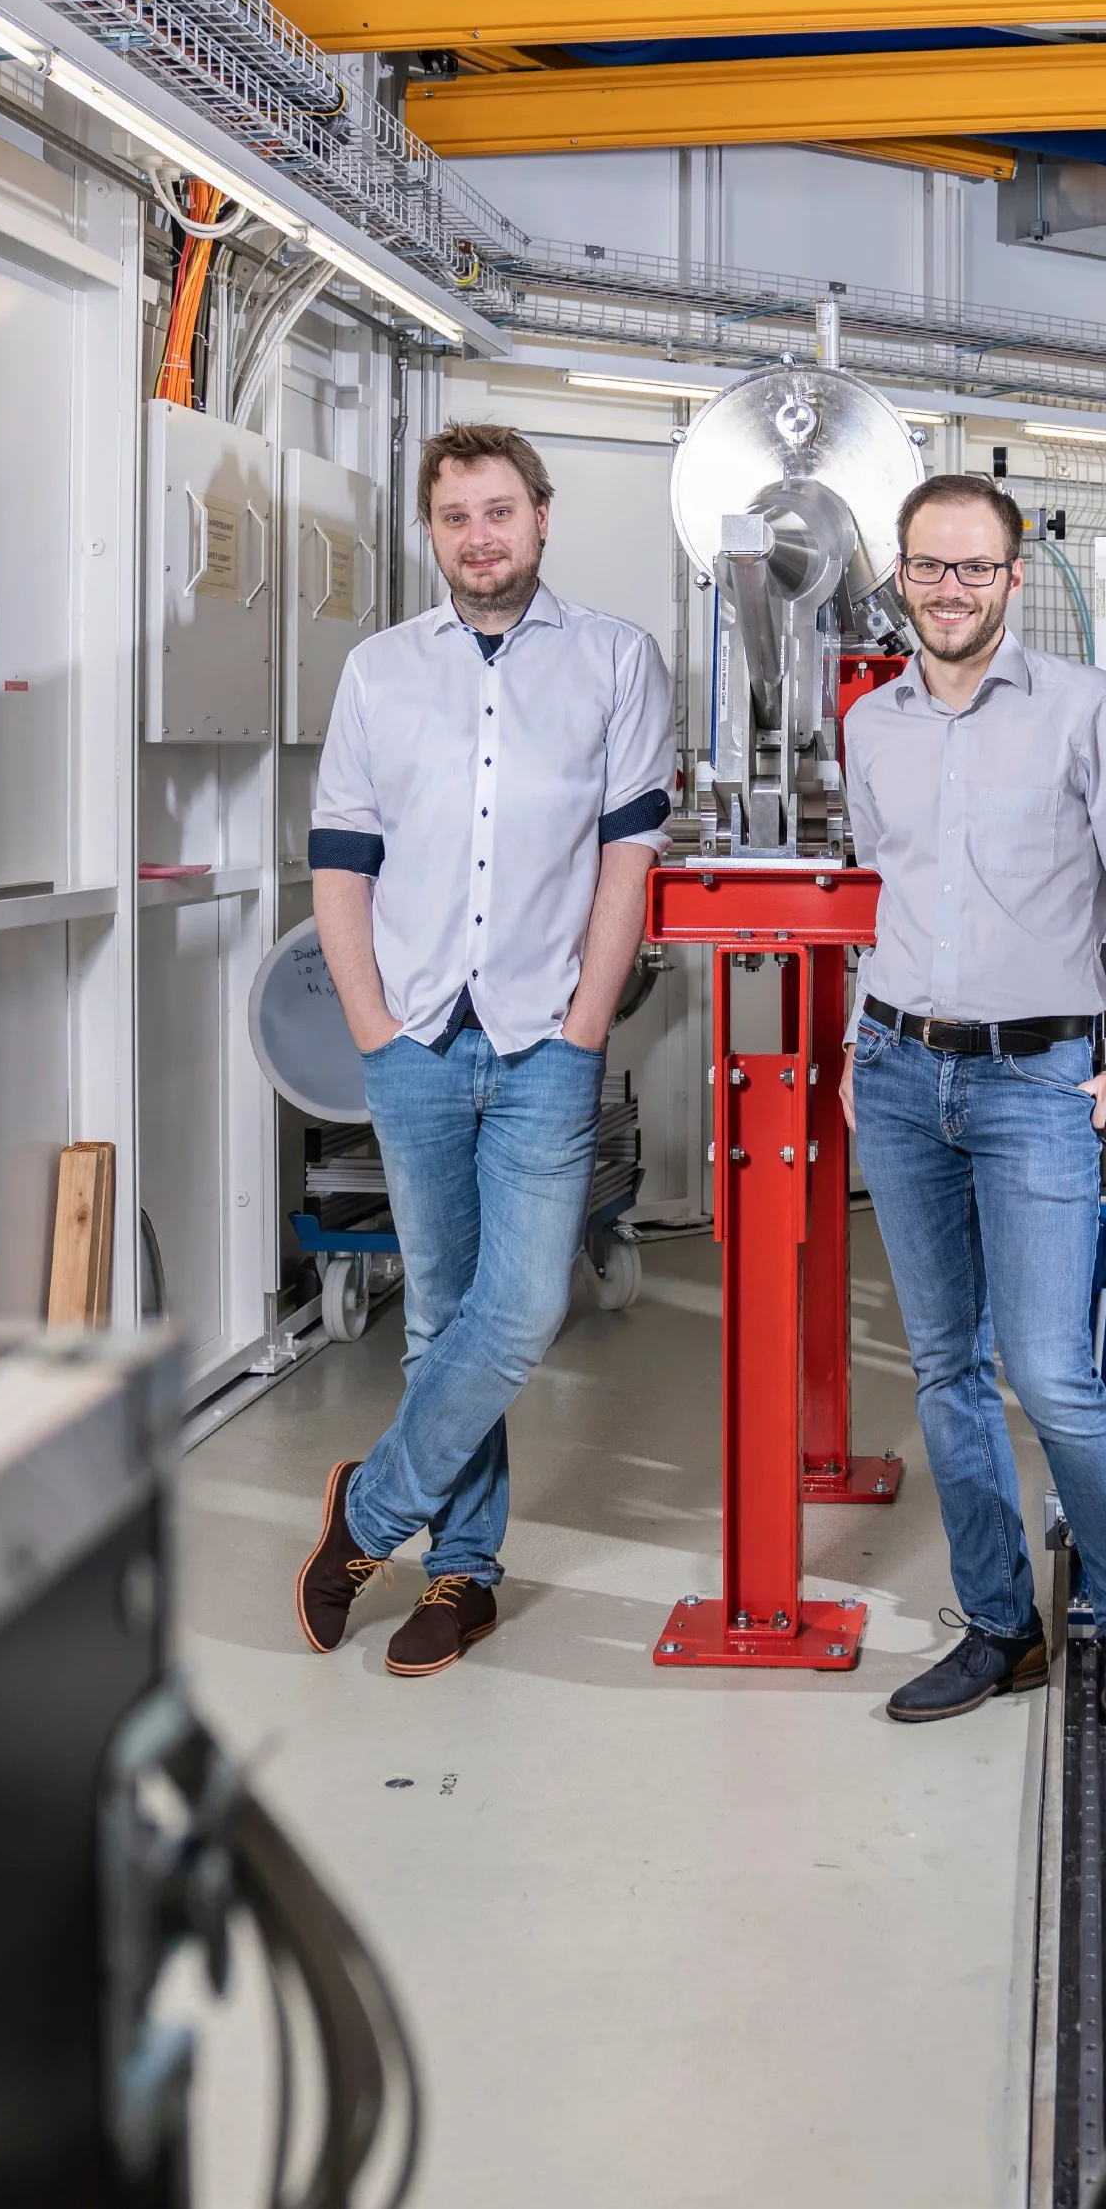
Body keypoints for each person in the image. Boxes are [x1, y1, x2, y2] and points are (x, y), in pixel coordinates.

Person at [293, 423, 673, 1676]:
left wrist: (583, 1023)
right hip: (411, 1036)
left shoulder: (618, 661)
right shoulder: (379, 672)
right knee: (441, 1317)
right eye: (455, 517)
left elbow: (628, 860)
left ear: (542, 517)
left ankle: (369, 1514)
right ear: (432, 530)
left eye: (499, 511)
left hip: (541, 1039)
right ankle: (462, 1575)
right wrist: (370, 1026)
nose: (479, 536)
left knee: (518, 1309)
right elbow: (341, 861)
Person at [841, 471, 1106, 1732]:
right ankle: (1001, 1626)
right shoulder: (871, 724)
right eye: (928, 568)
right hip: (897, 1074)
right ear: (901, 577)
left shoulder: (1084, 710)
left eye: (974, 569)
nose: (949, 590)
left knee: (1051, 1373)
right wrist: (857, 1048)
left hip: (1034, 1077)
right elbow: (886, 892)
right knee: (946, 1370)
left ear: (1013, 578)